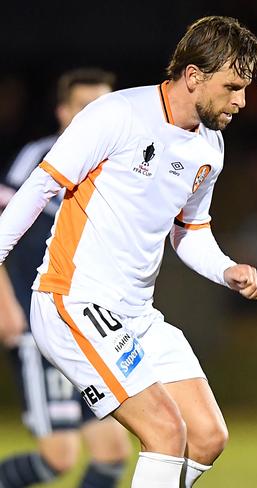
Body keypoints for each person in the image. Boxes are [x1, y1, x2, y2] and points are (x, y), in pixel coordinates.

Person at [0, 15, 257, 488]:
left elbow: (189, 231)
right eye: (232, 87)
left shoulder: (211, 146)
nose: (241, 101)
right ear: (193, 76)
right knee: (166, 432)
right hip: (74, 301)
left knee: (206, 436)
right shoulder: (117, 114)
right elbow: (41, 186)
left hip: (137, 315)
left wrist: (226, 269)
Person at [0, 68, 132, 488]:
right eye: (84, 107)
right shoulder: (38, 158)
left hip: (88, 326)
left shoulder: (122, 165)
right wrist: (4, 304)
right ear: (63, 112)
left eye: (104, 106)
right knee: (58, 458)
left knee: (113, 453)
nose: (96, 115)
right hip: (37, 322)